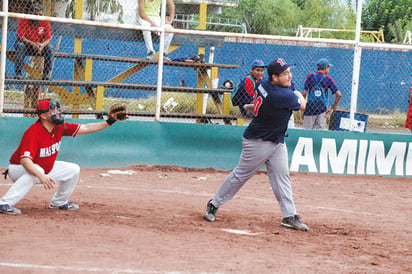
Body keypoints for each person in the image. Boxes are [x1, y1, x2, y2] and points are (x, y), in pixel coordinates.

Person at [203, 58, 309, 231]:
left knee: (282, 177)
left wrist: (293, 91)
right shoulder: (279, 95)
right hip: (258, 142)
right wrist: (298, 95)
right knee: (240, 175)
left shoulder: (264, 83)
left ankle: (289, 216)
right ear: (274, 77)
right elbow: (303, 104)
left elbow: (290, 90)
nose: (289, 76)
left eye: (289, 72)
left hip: (276, 140)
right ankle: (213, 204)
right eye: (285, 74)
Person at [0, 99, 126, 215]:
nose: (57, 112)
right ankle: (4, 203)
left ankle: (59, 202)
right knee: (36, 170)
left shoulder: (59, 127)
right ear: (43, 116)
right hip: (18, 168)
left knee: (73, 169)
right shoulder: (33, 132)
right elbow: (25, 161)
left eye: (57, 109)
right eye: (52, 110)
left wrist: (110, 121)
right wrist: (41, 176)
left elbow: (86, 127)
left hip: (43, 167)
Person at [14, 2, 53, 80]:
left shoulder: (45, 21)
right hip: (26, 45)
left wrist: (42, 45)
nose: (38, 17)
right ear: (30, 13)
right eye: (36, 15)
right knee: (20, 45)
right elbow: (21, 37)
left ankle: (46, 75)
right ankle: (18, 73)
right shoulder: (23, 19)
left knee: (50, 48)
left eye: (40, 15)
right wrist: (32, 44)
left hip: (39, 46)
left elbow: (49, 38)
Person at [302, 58, 342, 130]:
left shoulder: (310, 76)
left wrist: (303, 108)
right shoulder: (328, 79)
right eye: (328, 67)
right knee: (319, 133)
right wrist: (332, 108)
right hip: (322, 109)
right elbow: (339, 94)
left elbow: (304, 93)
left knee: (306, 132)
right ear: (326, 67)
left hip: (309, 108)